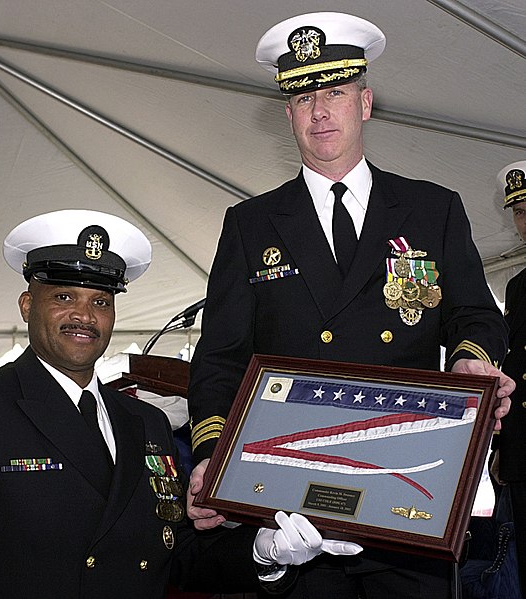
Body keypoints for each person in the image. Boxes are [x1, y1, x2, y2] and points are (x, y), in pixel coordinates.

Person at [186, 12, 514, 599]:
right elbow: (220, 359)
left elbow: (476, 313)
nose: (319, 112)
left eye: (334, 92)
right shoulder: (250, 224)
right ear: (286, 113)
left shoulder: (431, 208)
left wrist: (470, 362)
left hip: (409, 482)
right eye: (304, 97)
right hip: (295, 498)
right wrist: (213, 453)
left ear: (364, 103)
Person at [0, 209, 360, 598]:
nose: (84, 316)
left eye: (101, 302)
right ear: (28, 305)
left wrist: (267, 552)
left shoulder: (146, 421)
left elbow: (176, 559)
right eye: (64, 296)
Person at [493, 160, 526, 594]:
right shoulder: (517, 288)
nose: (525, 220)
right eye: (519, 211)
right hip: (522, 449)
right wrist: (503, 447)